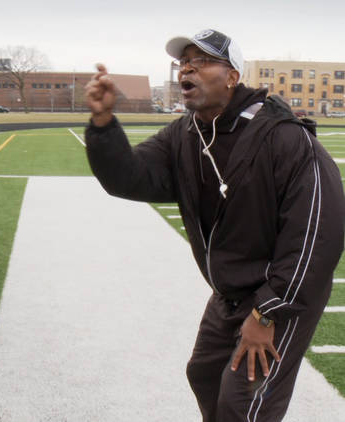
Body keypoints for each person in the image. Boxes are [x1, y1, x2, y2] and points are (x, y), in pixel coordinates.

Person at [83, 29, 345, 421]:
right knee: (204, 374)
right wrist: (103, 123)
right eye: (182, 62)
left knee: (243, 404)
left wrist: (268, 312)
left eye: (201, 61)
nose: (186, 68)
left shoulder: (286, 139)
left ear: (232, 76)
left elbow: (316, 235)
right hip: (231, 292)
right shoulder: (186, 134)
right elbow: (130, 177)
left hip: (279, 297)